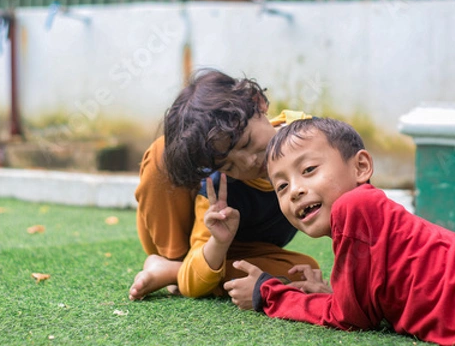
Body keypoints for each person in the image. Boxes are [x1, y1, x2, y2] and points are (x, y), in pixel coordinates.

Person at [223, 117, 455, 346]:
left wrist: (266, 293)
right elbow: (373, 302)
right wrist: (332, 291)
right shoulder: (374, 220)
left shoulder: (354, 206)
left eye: (310, 169)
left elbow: (349, 318)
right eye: (281, 187)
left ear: (361, 166)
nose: (295, 190)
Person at [129, 69, 320, 300]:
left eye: (247, 142)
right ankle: (174, 261)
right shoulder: (218, 191)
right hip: (200, 239)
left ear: (258, 103)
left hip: (248, 252)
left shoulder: (312, 137)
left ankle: (171, 273)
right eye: (228, 166)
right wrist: (218, 242)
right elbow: (196, 277)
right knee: (163, 152)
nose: (249, 162)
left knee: (305, 273)